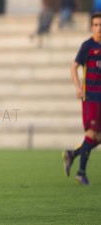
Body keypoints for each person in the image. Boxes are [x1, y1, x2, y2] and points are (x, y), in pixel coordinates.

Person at [62, 12, 101, 186]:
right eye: (96, 25)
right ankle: (81, 173)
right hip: (91, 97)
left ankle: (72, 154)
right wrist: (78, 87)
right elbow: (73, 67)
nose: (99, 28)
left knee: (97, 138)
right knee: (92, 134)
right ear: (91, 27)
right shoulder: (88, 45)